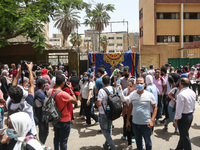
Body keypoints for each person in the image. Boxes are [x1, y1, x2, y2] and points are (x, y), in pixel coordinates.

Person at [7, 62, 37, 136]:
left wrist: (19, 72)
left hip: (15, 134)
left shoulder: (8, 103)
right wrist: (30, 70)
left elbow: (13, 86)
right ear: (22, 96)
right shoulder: (27, 104)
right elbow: (31, 85)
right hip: (29, 134)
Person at [126, 77, 157, 150]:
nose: (139, 85)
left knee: (147, 142)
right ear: (135, 84)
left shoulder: (149, 95)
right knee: (138, 142)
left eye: (141, 83)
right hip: (135, 123)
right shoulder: (132, 95)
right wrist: (127, 121)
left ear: (144, 84)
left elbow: (155, 108)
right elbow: (129, 109)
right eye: (138, 83)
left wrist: (152, 120)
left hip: (146, 123)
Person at [51, 74, 77, 150]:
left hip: (55, 119)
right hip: (64, 120)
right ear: (63, 83)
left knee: (56, 138)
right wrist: (71, 90)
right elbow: (75, 101)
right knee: (63, 141)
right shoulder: (63, 94)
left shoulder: (49, 92)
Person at [171, 78, 196, 150]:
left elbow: (179, 110)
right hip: (190, 115)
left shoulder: (181, 95)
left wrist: (175, 120)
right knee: (183, 134)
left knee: (184, 136)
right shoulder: (192, 92)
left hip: (183, 117)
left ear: (180, 84)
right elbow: (193, 105)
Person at [96, 75, 117, 150]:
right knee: (109, 128)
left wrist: (96, 102)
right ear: (110, 81)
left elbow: (98, 104)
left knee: (104, 130)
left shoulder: (101, 91)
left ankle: (113, 147)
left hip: (103, 113)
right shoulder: (113, 89)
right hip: (112, 112)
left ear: (102, 82)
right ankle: (107, 143)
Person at [119, 80, 136, 150]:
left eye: (131, 86)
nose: (129, 87)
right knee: (127, 125)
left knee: (134, 127)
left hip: (134, 113)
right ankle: (129, 144)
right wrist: (120, 90)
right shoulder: (126, 91)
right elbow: (123, 99)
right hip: (126, 112)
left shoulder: (135, 93)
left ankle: (133, 136)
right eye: (128, 85)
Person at [34, 78, 49, 144]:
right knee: (44, 132)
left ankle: (41, 143)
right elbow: (46, 105)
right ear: (43, 85)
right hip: (42, 116)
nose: (46, 85)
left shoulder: (37, 91)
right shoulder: (40, 94)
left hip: (39, 114)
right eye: (45, 84)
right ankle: (41, 144)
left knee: (42, 131)